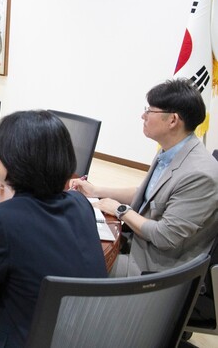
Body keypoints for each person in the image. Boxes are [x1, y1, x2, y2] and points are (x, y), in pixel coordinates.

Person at [0, 110, 107, 348]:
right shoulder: (80, 203)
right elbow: (45, 244)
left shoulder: (1, 220)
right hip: (80, 335)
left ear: (13, 162)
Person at [70, 78, 218, 277]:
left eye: (149, 111)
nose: (143, 116)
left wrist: (120, 210)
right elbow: (149, 196)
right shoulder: (172, 150)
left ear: (173, 120)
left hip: (154, 270)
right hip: (136, 243)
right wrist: (96, 190)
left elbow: (164, 236)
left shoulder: (200, 174)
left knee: (71, 262)